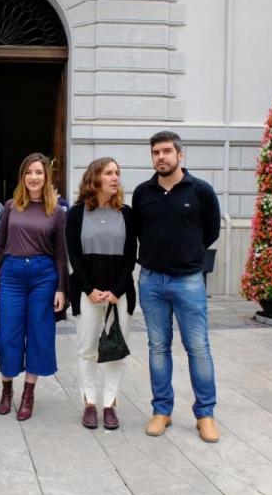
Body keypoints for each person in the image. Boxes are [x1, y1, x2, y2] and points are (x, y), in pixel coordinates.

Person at [132, 131, 221, 443]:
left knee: (198, 348)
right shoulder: (143, 193)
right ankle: (162, 410)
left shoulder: (201, 191)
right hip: (152, 280)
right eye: (156, 152)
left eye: (167, 151)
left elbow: (210, 231)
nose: (161, 157)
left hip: (188, 281)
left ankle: (205, 415)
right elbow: (139, 232)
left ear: (180, 155)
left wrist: (188, 255)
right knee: (158, 347)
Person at [0, 153, 68, 421]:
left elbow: (60, 253)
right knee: (7, 335)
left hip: (43, 276)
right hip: (11, 274)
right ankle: (7, 389)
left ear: (46, 177)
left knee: (39, 333)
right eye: (29, 172)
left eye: (39, 172)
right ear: (23, 176)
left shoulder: (55, 211)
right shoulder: (11, 206)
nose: (34, 177)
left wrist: (61, 288)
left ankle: (28, 393)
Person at [66, 157, 136, 430]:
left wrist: (117, 290)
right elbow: (73, 255)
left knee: (116, 350)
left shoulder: (127, 214)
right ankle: (89, 403)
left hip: (120, 293)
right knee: (87, 350)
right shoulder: (76, 213)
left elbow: (131, 256)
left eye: (117, 172)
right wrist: (88, 289)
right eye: (109, 173)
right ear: (94, 178)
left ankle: (110, 405)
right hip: (88, 292)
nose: (115, 177)